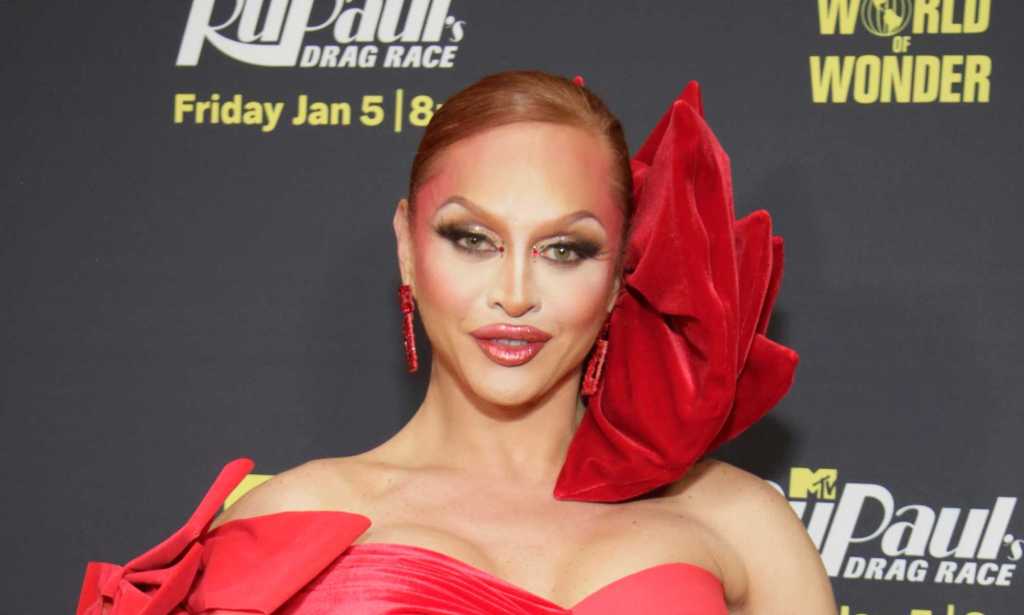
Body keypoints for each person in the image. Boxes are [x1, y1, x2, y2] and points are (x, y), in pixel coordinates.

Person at [77, 70, 837, 614]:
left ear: (617, 277)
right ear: (408, 247)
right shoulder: (291, 519)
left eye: (565, 249)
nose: (515, 291)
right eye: (473, 238)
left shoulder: (736, 521)